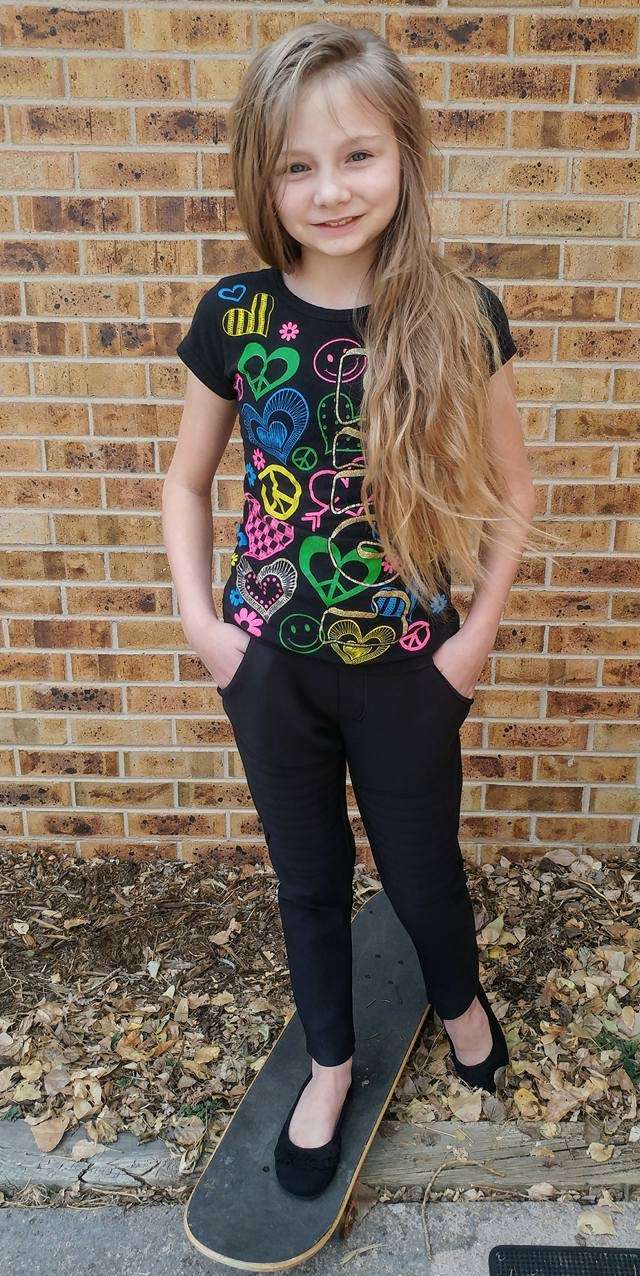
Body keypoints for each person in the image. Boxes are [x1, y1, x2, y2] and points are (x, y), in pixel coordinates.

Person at [163, 23, 560, 1199]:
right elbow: (185, 481)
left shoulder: (457, 312)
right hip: (269, 665)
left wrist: (473, 638)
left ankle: (459, 999)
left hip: (409, 667)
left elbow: (514, 490)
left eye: (356, 156)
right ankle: (330, 1065)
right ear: (263, 175)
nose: (329, 190)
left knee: (422, 866)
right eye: (297, 165)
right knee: (307, 875)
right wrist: (204, 627)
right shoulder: (236, 316)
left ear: (403, 158)